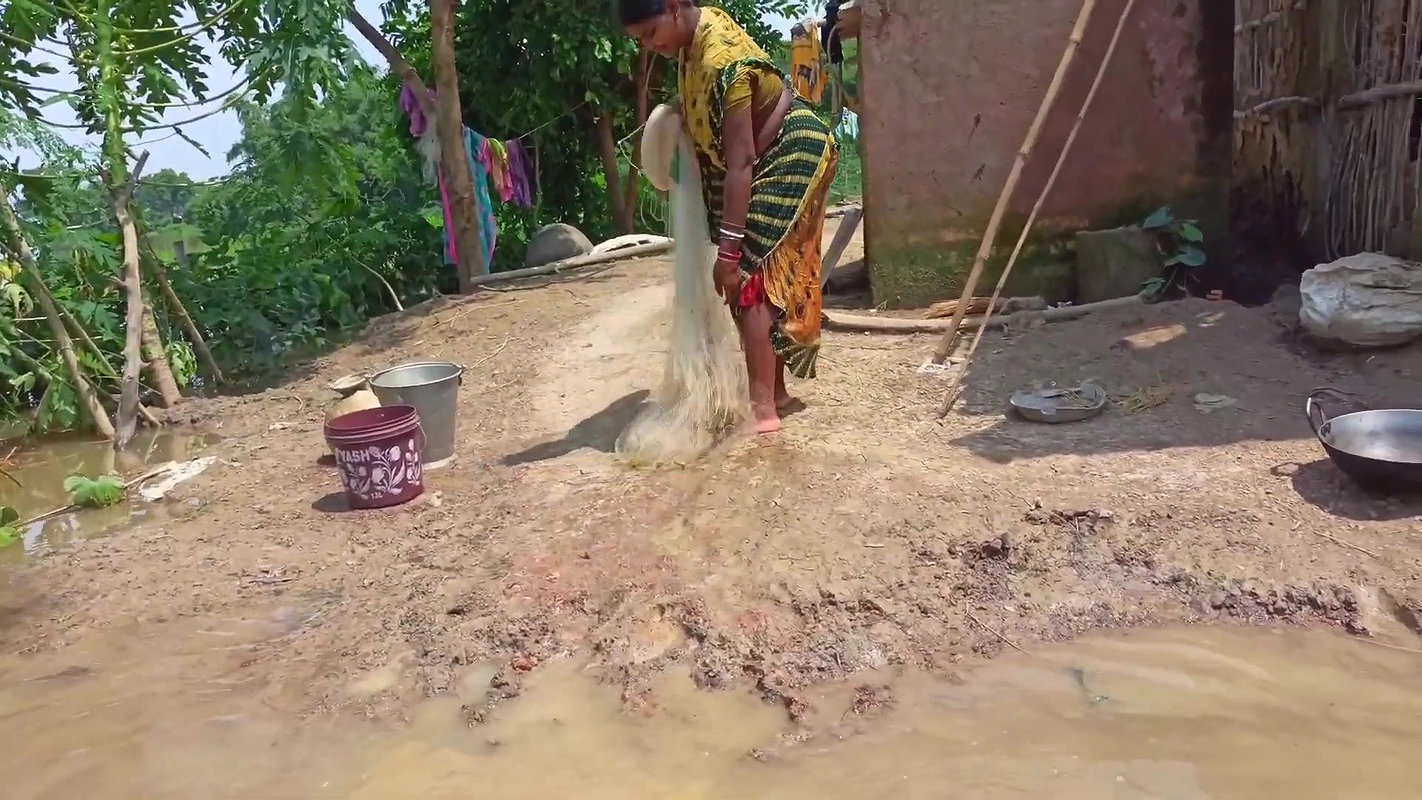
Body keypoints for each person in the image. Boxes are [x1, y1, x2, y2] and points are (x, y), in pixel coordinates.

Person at [620, 0, 839, 434]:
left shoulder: (727, 64)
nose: (649, 45)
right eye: (640, 39)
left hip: (792, 150)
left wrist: (729, 251)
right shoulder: (688, 46)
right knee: (759, 277)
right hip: (758, 158)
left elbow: (740, 162)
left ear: (674, 7)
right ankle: (773, 393)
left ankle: (764, 411)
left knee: (747, 276)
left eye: (650, 33)